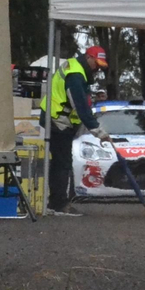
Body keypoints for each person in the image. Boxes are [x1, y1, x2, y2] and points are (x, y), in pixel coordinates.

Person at [45, 43, 107, 216]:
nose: (97, 70)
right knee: (62, 162)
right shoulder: (76, 75)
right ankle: (59, 204)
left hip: (59, 118)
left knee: (60, 161)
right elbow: (80, 106)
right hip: (58, 118)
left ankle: (56, 201)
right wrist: (99, 132)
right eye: (96, 64)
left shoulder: (77, 68)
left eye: (100, 67)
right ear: (88, 58)